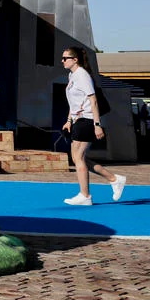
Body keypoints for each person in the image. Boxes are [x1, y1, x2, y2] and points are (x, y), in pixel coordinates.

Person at [60, 46, 126, 205]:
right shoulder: (72, 75)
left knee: (79, 158)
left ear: (75, 60)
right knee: (77, 158)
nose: (62, 61)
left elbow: (93, 100)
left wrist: (97, 124)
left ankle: (85, 195)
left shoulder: (82, 75)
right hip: (78, 120)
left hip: (87, 120)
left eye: (65, 58)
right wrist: (69, 120)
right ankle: (114, 179)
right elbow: (74, 102)